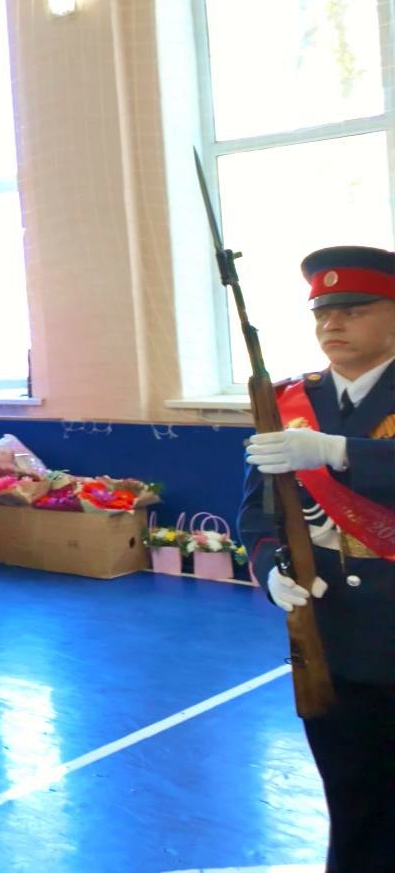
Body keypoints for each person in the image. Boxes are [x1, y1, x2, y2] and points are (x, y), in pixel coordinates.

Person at [239, 245, 395, 873]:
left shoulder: (315, 425)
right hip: (334, 638)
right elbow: (257, 512)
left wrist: (338, 451)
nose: (332, 324)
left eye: (354, 310)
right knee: (352, 798)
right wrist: (270, 569)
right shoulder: (288, 403)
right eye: (323, 313)